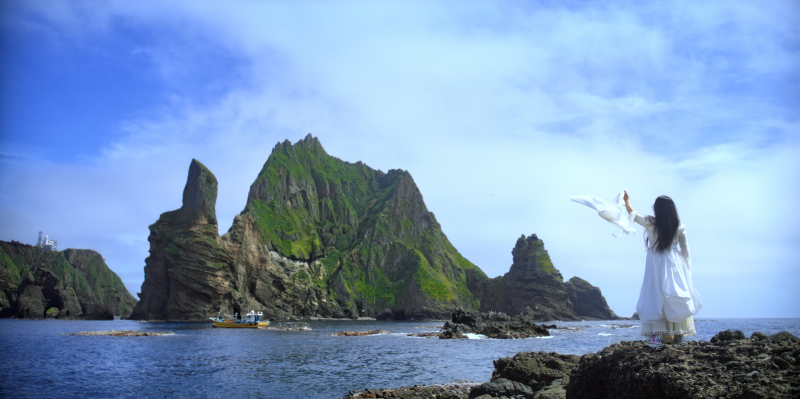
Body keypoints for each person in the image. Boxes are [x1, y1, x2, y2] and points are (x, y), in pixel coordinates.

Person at [624, 191, 701, 347]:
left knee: (655, 295)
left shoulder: (651, 223)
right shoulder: (679, 227)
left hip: (655, 264)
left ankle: (657, 336)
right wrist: (687, 271)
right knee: (674, 295)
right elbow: (686, 251)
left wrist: (626, 201)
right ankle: (678, 335)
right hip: (675, 264)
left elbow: (633, 214)